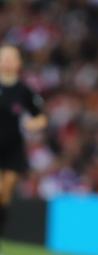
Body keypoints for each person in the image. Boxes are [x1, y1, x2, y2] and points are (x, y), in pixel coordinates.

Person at [0, 45, 48, 236]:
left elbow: (41, 116)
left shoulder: (24, 90)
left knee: (5, 195)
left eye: (12, 57)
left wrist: (34, 124)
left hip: (13, 148)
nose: (8, 61)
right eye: (5, 57)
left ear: (19, 63)